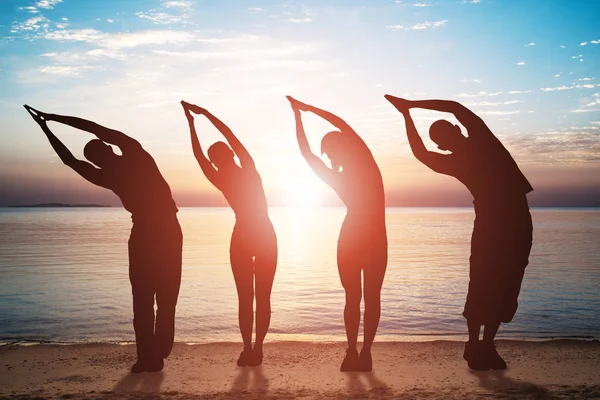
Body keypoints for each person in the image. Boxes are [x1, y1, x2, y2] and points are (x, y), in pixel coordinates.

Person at [24, 105, 182, 374]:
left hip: (163, 230)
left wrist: (51, 121)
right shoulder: (116, 168)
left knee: (163, 297)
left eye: (100, 153)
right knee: (145, 297)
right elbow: (73, 158)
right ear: (103, 156)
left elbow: (89, 138)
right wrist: (48, 125)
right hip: (148, 232)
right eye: (98, 157)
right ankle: (149, 356)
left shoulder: (133, 154)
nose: (101, 158)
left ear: (108, 150)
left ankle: (156, 354)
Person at [385, 95, 533, 371]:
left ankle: (487, 345)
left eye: (450, 129)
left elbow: (455, 109)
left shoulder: (482, 139)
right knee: (482, 281)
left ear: (457, 129)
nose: (451, 134)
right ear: (444, 144)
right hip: (491, 226)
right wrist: (407, 113)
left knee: (507, 281)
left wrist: (410, 106)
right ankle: (474, 344)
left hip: (517, 222)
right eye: (444, 137)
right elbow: (422, 153)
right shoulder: (457, 160)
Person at [287, 96, 388, 372]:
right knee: (354, 297)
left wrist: (306, 110)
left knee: (369, 297)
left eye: (330, 152)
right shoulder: (344, 175)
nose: (329, 158)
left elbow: (341, 124)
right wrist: (299, 117)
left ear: (343, 148)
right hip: (358, 239)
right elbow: (306, 153)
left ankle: (364, 353)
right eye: (326, 155)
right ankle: (354, 352)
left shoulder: (366, 166)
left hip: (366, 238)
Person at [181, 101, 277, 367]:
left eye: (216, 159)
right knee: (251, 297)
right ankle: (252, 348)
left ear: (226, 158)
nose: (215, 163)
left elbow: (209, 150)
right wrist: (201, 118)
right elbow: (220, 144)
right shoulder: (235, 172)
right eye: (215, 161)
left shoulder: (238, 172)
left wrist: (196, 121)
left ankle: (253, 348)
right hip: (255, 236)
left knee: (253, 297)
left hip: (254, 235)